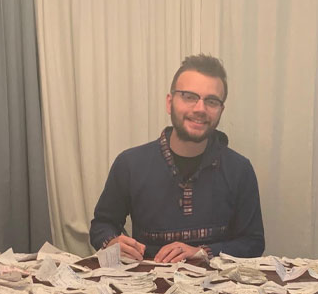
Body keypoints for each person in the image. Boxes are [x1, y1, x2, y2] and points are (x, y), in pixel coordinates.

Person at [89, 54, 265, 263]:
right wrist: (111, 242)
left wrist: (202, 252)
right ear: (169, 102)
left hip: (215, 288)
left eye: (211, 101)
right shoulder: (129, 164)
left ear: (221, 110)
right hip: (146, 286)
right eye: (189, 96)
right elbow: (101, 224)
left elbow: (253, 243)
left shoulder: (239, 169)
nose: (200, 109)